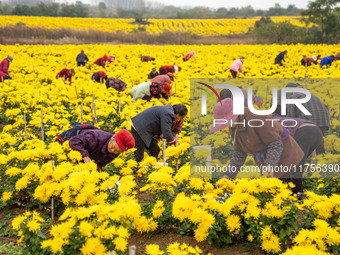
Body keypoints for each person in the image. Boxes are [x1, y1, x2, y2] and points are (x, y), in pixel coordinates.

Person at [210, 98, 304, 194]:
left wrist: (270, 164)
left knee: (291, 194)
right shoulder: (234, 127)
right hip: (268, 160)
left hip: (286, 157)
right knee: (273, 194)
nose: (226, 124)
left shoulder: (258, 117)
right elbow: (239, 153)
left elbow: (275, 143)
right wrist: (227, 175)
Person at [273, 117, 323, 196]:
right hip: (316, 131)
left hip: (304, 131)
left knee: (296, 165)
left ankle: (297, 195)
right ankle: (289, 190)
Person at [55, 124, 135, 171]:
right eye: (113, 146)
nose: (113, 150)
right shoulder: (95, 137)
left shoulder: (115, 153)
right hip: (68, 140)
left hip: (81, 152)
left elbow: (100, 164)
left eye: (117, 151)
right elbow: (74, 142)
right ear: (113, 137)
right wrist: (85, 157)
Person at [285, 84, 330, 154]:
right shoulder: (314, 96)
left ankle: (302, 161)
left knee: (302, 146)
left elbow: (291, 117)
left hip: (309, 124)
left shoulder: (293, 97)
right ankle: (322, 160)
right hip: (324, 123)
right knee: (318, 144)